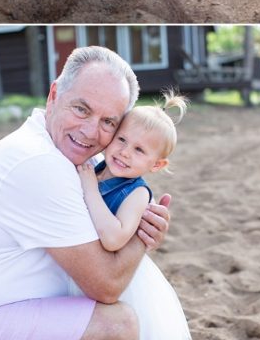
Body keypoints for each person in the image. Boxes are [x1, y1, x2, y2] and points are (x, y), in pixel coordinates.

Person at [0, 46, 175, 340]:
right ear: (54, 96)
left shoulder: (74, 159)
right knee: (116, 325)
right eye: (82, 109)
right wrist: (142, 233)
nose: (90, 131)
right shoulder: (38, 162)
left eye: (108, 122)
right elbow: (107, 285)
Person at [75, 90, 191, 339]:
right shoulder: (97, 168)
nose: (125, 152)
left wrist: (89, 190)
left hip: (112, 275)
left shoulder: (137, 194)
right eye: (122, 140)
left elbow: (114, 238)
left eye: (139, 150)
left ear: (156, 165)